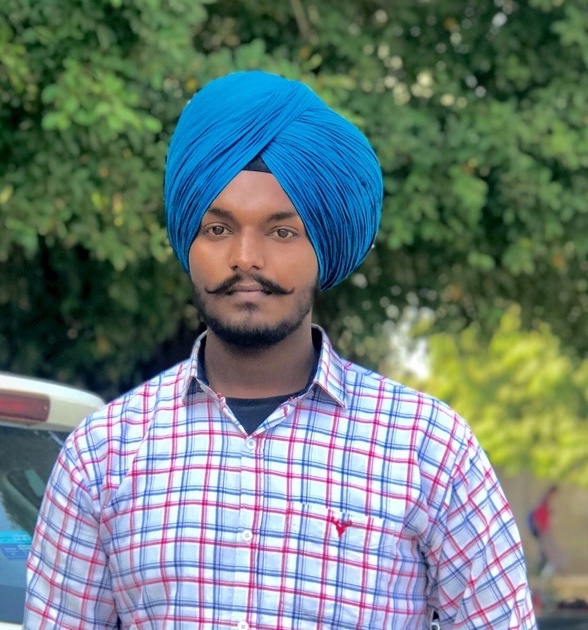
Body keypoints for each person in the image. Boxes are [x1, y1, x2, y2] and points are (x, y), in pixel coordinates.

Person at [24, 70, 536, 629]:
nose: (246, 257)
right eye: (218, 230)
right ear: (188, 244)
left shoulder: (428, 448)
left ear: (323, 247)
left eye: (282, 232)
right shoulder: (103, 454)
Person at [528, 485, 561, 577]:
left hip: (543, 530)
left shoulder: (546, 501)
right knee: (545, 552)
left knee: (544, 552)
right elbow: (539, 515)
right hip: (542, 530)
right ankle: (540, 572)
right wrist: (541, 529)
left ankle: (540, 571)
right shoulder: (545, 501)